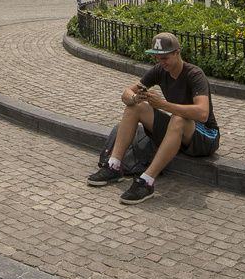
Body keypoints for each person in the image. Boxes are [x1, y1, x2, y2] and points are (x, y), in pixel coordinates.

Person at [87, 32, 219, 204]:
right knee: (135, 108)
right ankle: (114, 165)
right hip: (178, 129)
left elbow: (203, 113)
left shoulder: (194, 74)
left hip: (205, 136)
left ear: (177, 53)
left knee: (178, 118)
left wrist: (163, 105)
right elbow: (126, 94)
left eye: (165, 58)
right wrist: (136, 98)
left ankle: (147, 181)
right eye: (158, 58)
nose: (161, 62)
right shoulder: (159, 71)